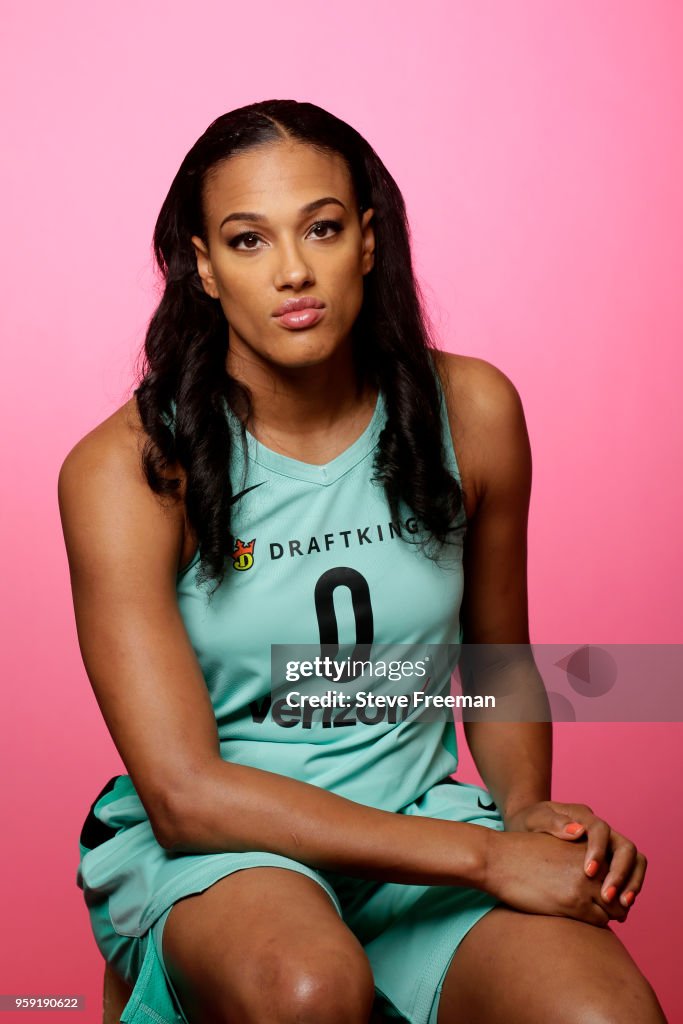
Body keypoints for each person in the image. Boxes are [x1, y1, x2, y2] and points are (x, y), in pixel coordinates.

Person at [58, 99, 667, 1024]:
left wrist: (526, 810)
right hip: (223, 851)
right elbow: (185, 794)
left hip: (421, 819)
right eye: (248, 240)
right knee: (308, 989)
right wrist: (490, 859)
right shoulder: (128, 469)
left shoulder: (472, 410)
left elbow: (493, 666)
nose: (295, 270)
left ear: (369, 242)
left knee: (601, 1015)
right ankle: (164, 975)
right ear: (204, 267)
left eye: (323, 228)